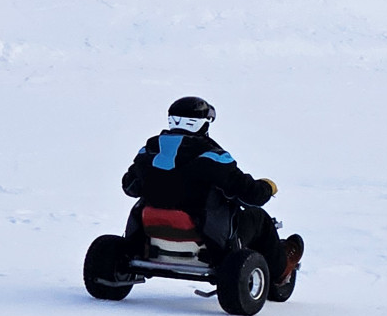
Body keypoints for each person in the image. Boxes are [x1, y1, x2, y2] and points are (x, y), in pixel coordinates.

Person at [121, 96, 303, 286]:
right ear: (203, 124)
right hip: (207, 237)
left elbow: (129, 187)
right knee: (259, 218)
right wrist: (267, 187)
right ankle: (281, 269)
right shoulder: (212, 157)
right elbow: (249, 196)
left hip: (151, 233)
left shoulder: (148, 152)